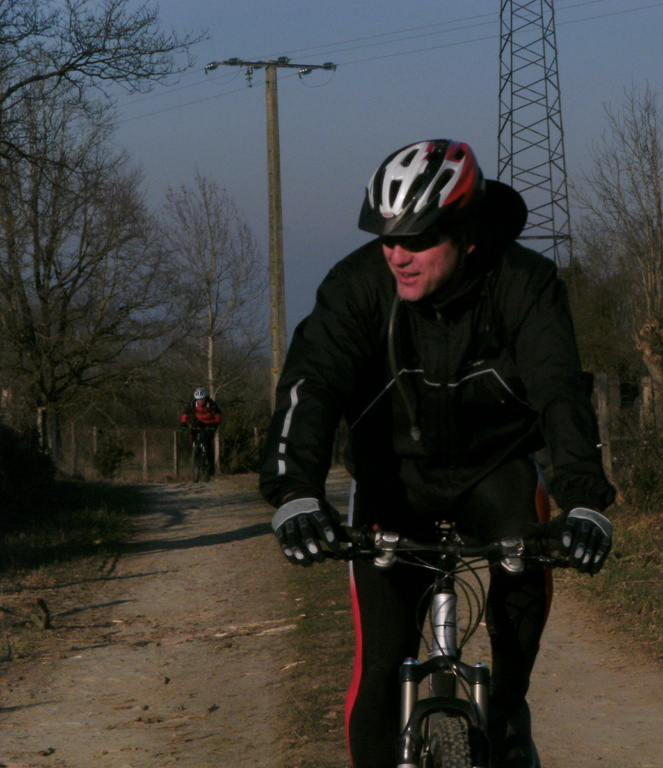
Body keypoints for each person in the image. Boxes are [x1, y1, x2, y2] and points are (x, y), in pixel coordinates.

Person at [259, 139, 616, 768]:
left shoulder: (524, 284)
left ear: (467, 235)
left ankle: (506, 713)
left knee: (523, 568)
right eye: (386, 237)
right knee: (380, 667)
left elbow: (560, 390)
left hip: (495, 470)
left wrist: (585, 502)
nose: (397, 254)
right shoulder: (357, 286)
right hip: (392, 478)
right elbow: (310, 385)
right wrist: (294, 492)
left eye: (419, 239)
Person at [180, 387, 222, 473]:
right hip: (199, 421)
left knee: (207, 443)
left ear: (205, 398)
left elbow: (218, 413)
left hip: (210, 422)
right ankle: (195, 449)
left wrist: (216, 424)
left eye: (202, 399)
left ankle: (211, 464)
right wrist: (183, 423)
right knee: (193, 429)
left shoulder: (210, 403)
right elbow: (186, 413)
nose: (200, 401)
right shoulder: (194, 403)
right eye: (198, 399)